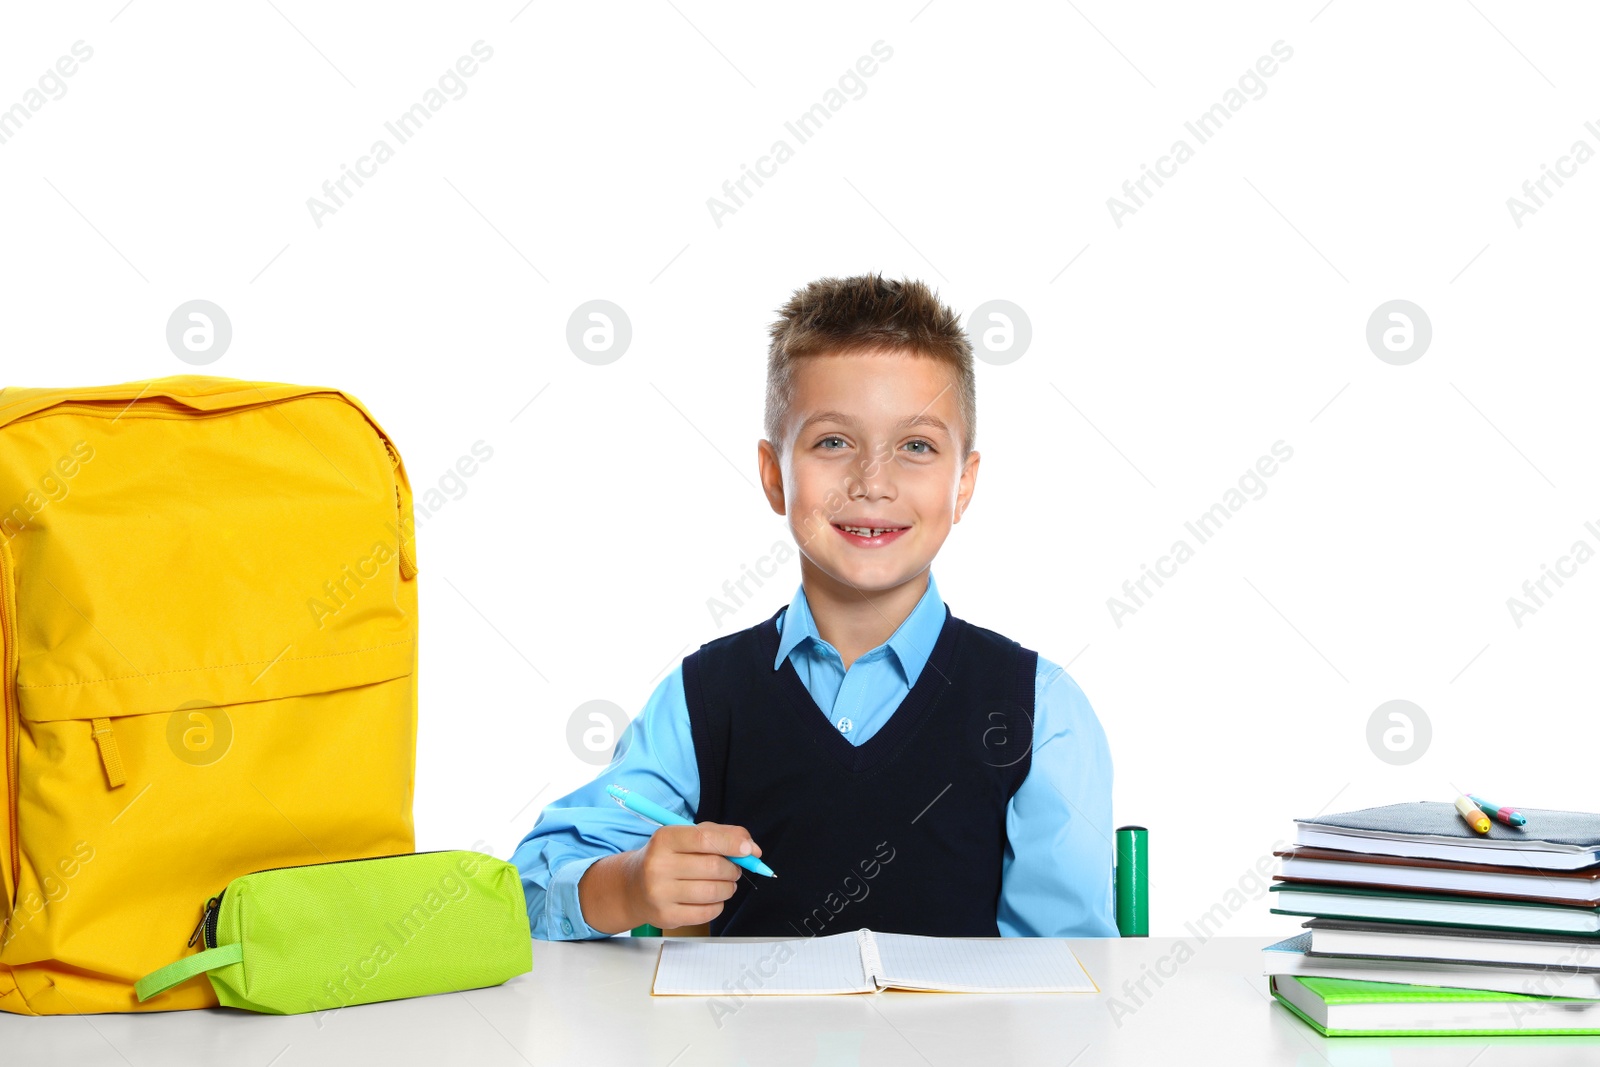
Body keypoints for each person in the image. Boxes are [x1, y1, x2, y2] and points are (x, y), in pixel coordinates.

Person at [513, 273, 1116, 939]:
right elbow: (530, 890)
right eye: (833, 441)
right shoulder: (702, 698)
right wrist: (624, 885)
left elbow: (1069, 979)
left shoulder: (1041, 709)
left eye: (916, 446)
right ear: (776, 475)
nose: (873, 482)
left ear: (963, 484)